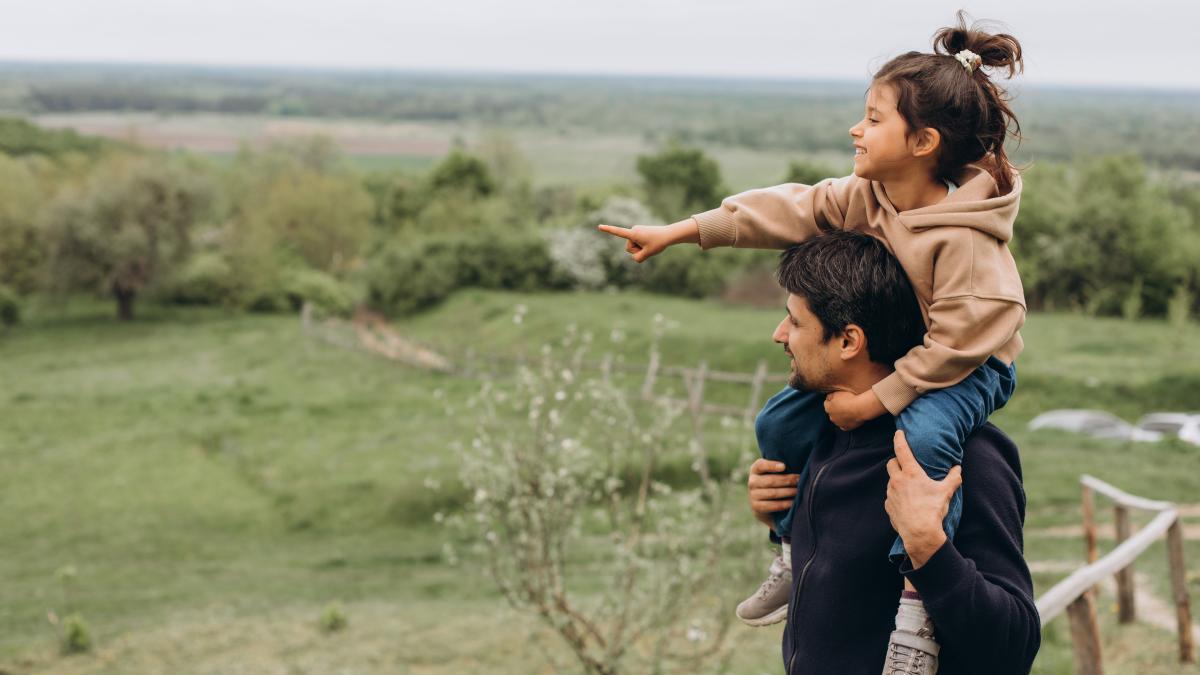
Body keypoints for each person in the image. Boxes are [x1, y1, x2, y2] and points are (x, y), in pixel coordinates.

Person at [599, 13, 1027, 669]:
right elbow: (790, 207)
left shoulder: (967, 244)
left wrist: (928, 545)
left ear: (923, 141)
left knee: (926, 439)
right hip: (898, 367)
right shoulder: (871, 198)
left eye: (875, 118)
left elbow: (957, 342)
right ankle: (787, 555)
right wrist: (682, 230)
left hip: (967, 364)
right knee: (777, 419)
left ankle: (916, 610)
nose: (857, 129)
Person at [753, 231, 1039, 673]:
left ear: (849, 341)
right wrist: (778, 514)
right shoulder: (824, 434)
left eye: (794, 321)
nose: (779, 335)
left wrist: (929, 548)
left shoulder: (968, 457)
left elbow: (1014, 645)